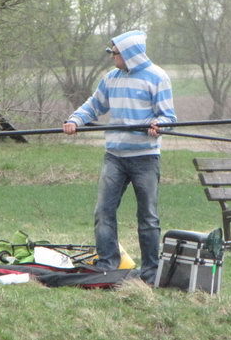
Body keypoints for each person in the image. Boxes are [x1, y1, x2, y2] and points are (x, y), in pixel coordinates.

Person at [63, 30, 176, 283]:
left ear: (129, 54)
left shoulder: (158, 77)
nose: (112, 57)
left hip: (145, 157)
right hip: (114, 156)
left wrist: (159, 125)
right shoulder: (111, 78)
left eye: (114, 53)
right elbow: (94, 105)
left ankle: (150, 271)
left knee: (148, 217)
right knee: (104, 211)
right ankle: (107, 265)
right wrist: (75, 120)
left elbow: (168, 117)